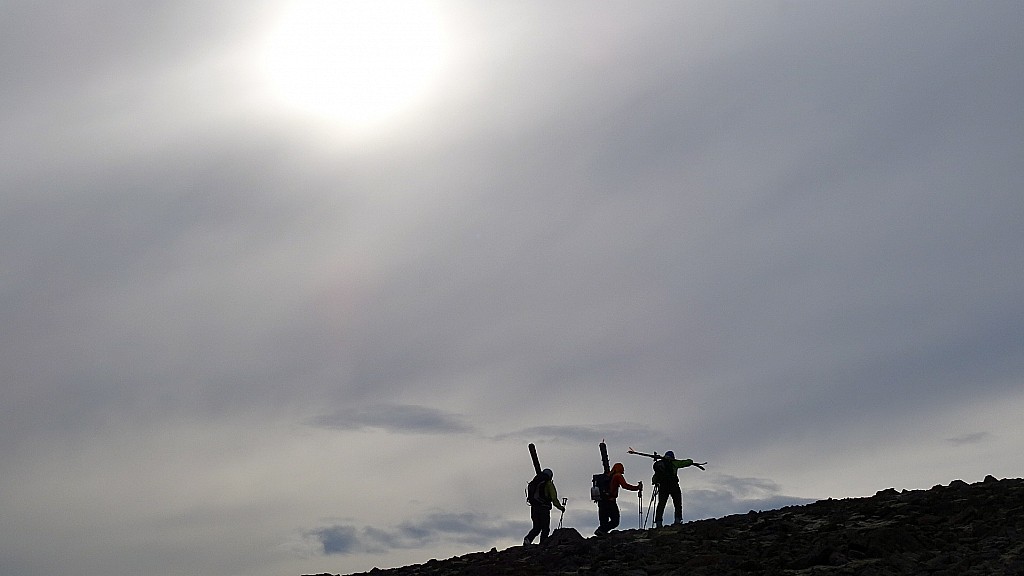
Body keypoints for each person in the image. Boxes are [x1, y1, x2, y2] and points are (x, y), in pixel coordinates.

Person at [650, 450, 705, 528]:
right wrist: (690, 461)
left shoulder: (660, 465)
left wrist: (655, 482)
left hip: (663, 486)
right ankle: (677, 520)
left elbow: (655, 477)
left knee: (661, 504)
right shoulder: (674, 463)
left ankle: (658, 523)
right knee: (677, 503)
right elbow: (687, 462)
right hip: (673, 485)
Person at [594, 462, 642, 535]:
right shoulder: (617, 476)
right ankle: (601, 531)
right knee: (615, 521)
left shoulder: (607, 476)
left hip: (601, 501)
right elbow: (625, 486)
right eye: (622, 468)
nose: (623, 469)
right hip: (610, 501)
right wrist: (637, 488)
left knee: (604, 521)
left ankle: (601, 533)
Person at [524, 468, 565, 545]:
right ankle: (543, 544)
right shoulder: (548, 483)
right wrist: (561, 507)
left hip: (534, 507)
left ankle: (528, 540)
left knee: (536, 527)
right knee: (545, 528)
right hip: (544, 508)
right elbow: (554, 498)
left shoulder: (535, 482)